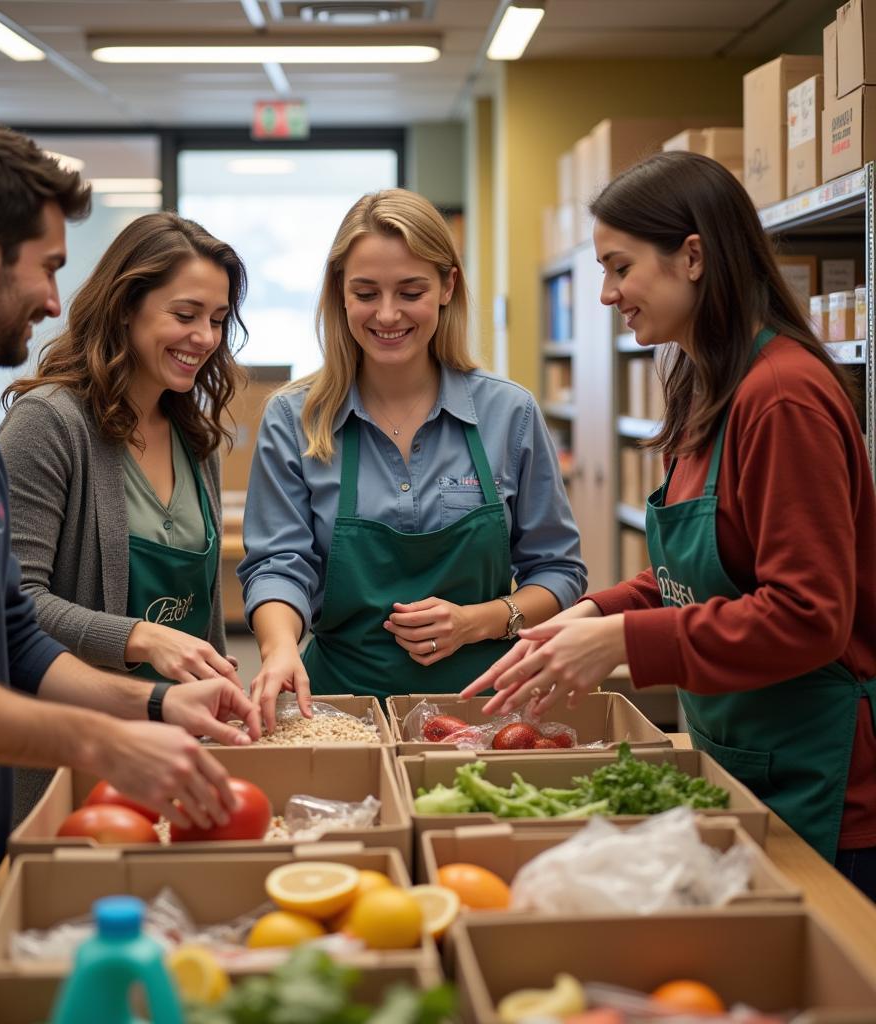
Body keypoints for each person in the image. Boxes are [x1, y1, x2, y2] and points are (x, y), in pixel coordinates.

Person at [0, 122, 259, 1024]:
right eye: (45, 265)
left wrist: (152, 706)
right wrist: (98, 742)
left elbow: (10, 634)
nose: (50, 298)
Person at [466, 151, 876, 896]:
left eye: (619, 267)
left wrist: (622, 642)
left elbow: (810, 616)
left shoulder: (781, 397)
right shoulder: (706, 383)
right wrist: (593, 614)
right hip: (743, 751)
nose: (605, 294)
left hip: (824, 784)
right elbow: (696, 573)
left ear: (692, 256)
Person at [239, 188, 586, 730]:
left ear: (448, 286)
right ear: (340, 294)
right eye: (366, 292)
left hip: (484, 713)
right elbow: (280, 565)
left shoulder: (508, 413)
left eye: (410, 290)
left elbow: (558, 570)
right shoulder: (294, 418)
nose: (387, 314)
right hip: (338, 711)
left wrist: (479, 621)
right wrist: (279, 647)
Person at [0, 214, 248, 815]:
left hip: (179, 745)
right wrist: (139, 636)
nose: (205, 338)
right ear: (125, 307)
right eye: (184, 315)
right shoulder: (49, 425)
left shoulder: (195, 436)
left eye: (217, 320)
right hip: (77, 755)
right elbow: (9, 602)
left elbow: (203, 617)